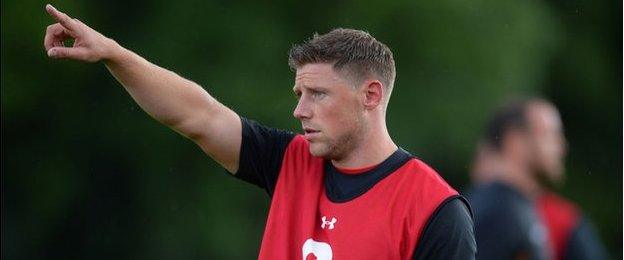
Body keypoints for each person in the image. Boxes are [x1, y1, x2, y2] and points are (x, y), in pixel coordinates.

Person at [43, 4, 476, 259]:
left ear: (371, 95)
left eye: (318, 94)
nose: (300, 109)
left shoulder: (434, 210)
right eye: (299, 93)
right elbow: (197, 115)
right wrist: (113, 55)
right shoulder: (289, 160)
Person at [467, 98, 608, 260]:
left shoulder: (506, 207)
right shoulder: (501, 214)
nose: (562, 146)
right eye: (550, 134)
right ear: (515, 141)